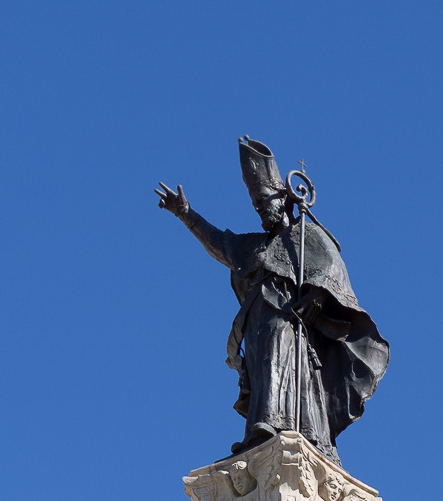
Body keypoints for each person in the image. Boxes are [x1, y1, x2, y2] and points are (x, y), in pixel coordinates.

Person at [157, 137, 389, 463]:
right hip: (256, 320)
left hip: (288, 318)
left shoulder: (306, 236)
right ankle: (260, 430)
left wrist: (317, 297)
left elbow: (331, 268)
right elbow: (219, 243)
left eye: (266, 201)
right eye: (257, 205)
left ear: (284, 199)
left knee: (284, 365)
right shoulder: (254, 246)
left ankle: (286, 427)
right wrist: (186, 213)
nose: (262, 209)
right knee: (263, 369)